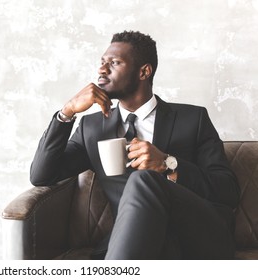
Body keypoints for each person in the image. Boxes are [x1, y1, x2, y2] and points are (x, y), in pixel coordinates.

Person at [30, 30, 240, 259]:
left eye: (115, 62)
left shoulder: (193, 119)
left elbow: (227, 191)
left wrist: (168, 164)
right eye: (102, 62)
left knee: (144, 179)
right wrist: (67, 112)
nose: (102, 69)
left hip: (193, 237)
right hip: (137, 243)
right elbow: (42, 175)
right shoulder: (92, 128)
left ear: (144, 71)